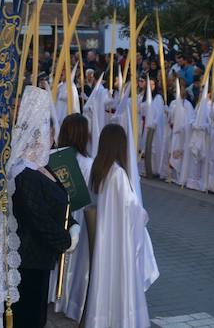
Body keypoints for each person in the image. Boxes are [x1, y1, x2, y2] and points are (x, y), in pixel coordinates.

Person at [10, 86, 78, 328]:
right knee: (27, 318)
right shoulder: (23, 173)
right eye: (48, 135)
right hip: (28, 261)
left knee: (36, 316)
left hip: (40, 259)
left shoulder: (43, 167)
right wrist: (65, 239)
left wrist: (74, 225)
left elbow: (63, 200)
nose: (51, 140)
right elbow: (38, 217)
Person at [84, 124, 158, 328]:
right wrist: (143, 214)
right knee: (120, 280)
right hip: (120, 240)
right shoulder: (118, 174)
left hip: (108, 236)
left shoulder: (102, 170)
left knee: (107, 280)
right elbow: (132, 208)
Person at [52, 113, 94, 322]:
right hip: (79, 217)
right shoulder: (88, 163)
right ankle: (70, 300)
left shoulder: (54, 155)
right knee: (76, 261)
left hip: (57, 213)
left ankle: (54, 293)